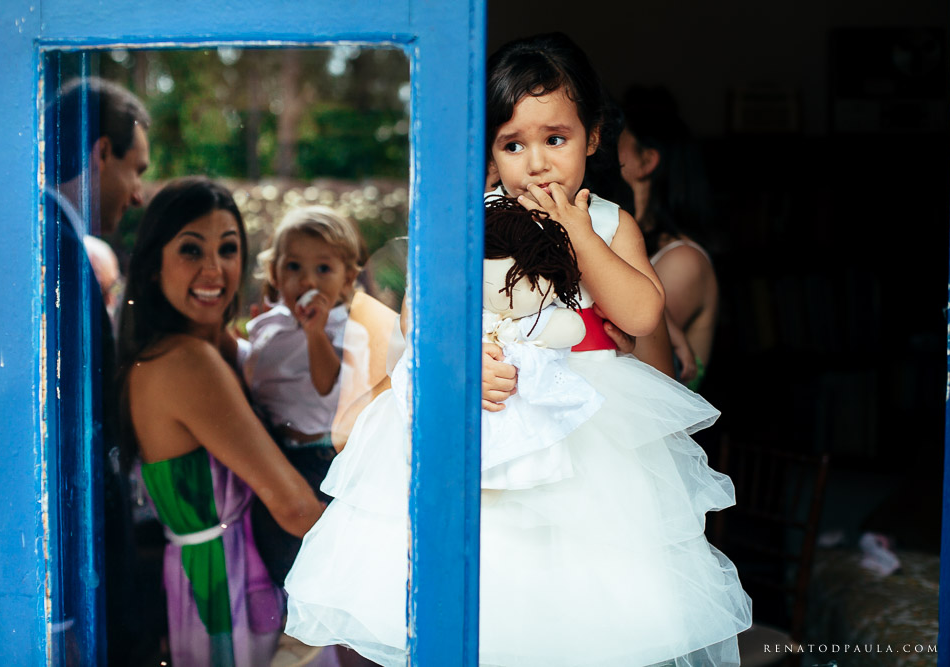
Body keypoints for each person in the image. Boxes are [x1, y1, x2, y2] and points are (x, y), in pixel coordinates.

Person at [282, 33, 751, 667]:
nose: (536, 163)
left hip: (590, 433)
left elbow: (641, 313)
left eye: (554, 139)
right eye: (512, 144)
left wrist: (580, 233)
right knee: (493, 590)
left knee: (584, 604)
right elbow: (420, 325)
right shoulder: (465, 220)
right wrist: (462, 362)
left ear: (592, 138)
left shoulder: (609, 222)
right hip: (492, 422)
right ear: (489, 149)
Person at [117, 177, 324, 666]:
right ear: (152, 266)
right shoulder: (184, 361)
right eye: (191, 250)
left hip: (217, 580)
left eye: (228, 249)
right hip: (226, 587)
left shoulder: (216, 347)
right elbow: (294, 508)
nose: (214, 269)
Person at [43, 75, 151, 663]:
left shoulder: (54, 239)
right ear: (100, 153)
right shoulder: (54, 248)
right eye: (136, 169)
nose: (138, 194)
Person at [244, 205, 370, 586]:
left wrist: (315, 335)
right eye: (294, 267)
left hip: (321, 458)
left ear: (348, 278)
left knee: (320, 564)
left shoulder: (346, 330)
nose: (307, 280)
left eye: (324, 269)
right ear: (274, 273)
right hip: (276, 455)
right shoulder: (268, 325)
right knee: (277, 553)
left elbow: (328, 385)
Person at [616, 85, 719, 391]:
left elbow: (632, 343)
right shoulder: (630, 241)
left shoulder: (683, 259)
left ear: (647, 161)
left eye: (616, 143)